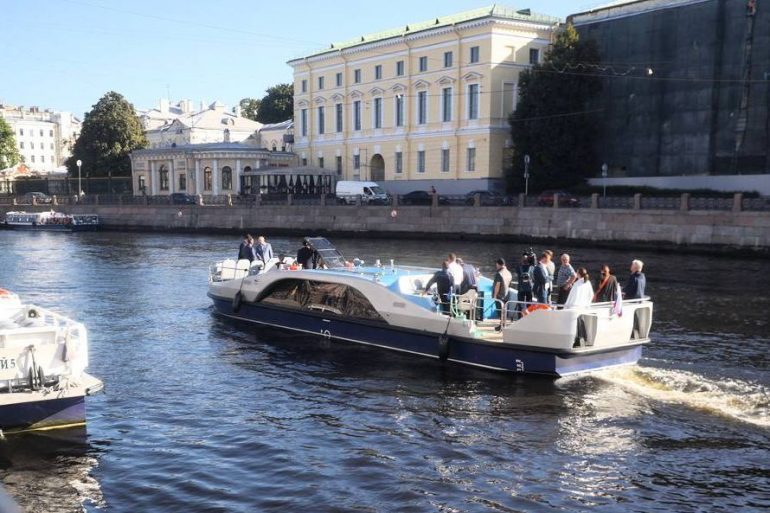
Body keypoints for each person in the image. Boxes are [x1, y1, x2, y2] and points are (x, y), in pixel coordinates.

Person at [492, 258, 513, 323]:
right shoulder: (509, 273)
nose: (496, 266)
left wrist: (495, 296)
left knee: (500, 312)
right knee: (504, 311)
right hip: (506, 295)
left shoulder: (499, 274)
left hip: (500, 296)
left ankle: (501, 325)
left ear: (499, 264)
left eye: (497, 264)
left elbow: (497, 285)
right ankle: (503, 323)